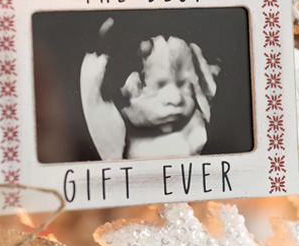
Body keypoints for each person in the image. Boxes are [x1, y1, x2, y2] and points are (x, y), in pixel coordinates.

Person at [80, 17, 220, 160]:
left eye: (184, 85)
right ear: (123, 91)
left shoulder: (197, 130)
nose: (175, 98)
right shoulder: (114, 135)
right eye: (158, 86)